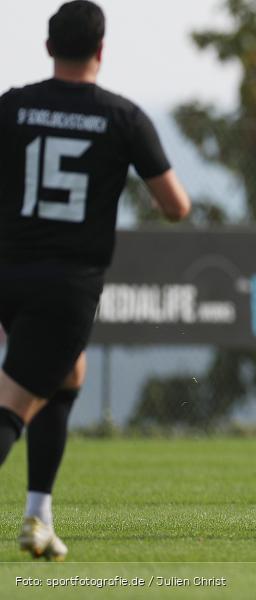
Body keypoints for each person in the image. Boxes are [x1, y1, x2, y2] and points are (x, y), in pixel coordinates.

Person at [0, 1, 191, 561]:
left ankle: (38, 517)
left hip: (8, 273)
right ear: (101, 51)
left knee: (66, 377)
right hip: (67, 283)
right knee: (14, 403)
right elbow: (176, 205)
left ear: (47, 47)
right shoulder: (121, 116)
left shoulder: (11, 106)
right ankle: (36, 515)